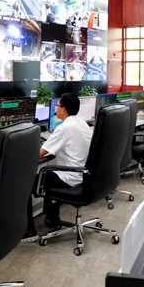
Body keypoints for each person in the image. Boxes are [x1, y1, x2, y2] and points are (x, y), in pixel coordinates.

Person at [24, 93, 92, 237]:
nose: (56, 108)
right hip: (84, 175)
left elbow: (38, 155)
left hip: (70, 177)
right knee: (48, 174)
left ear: (63, 109)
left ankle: (29, 231)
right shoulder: (82, 123)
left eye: (58, 105)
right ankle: (52, 218)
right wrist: (49, 143)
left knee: (26, 183)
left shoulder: (64, 128)